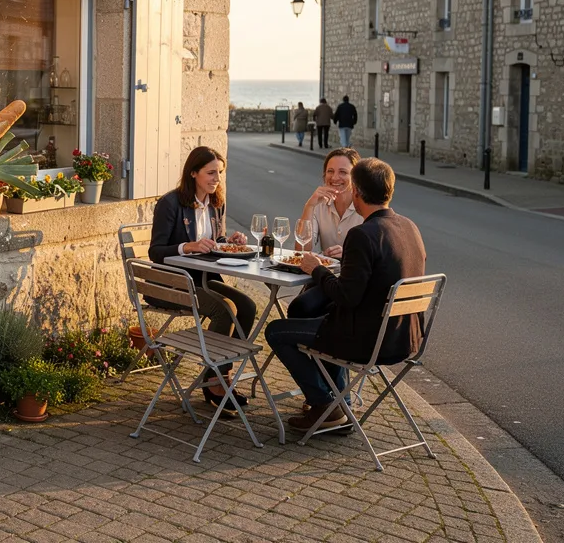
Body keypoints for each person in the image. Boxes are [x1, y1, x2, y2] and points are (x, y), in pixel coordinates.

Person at [264, 158, 426, 430]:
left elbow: (346, 296)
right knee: (312, 314)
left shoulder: (363, 234)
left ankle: (325, 405)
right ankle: (340, 403)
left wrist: (317, 270)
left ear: (357, 193)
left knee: (276, 331)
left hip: (368, 341)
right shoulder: (410, 226)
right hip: (406, 338)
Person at [149, 146, 259, 411]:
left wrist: (228, 241)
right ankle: (217, 381)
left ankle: (217, 375)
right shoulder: (170, 203)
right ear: (193, 173)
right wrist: (187, 246)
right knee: (225, 310)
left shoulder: (215, 203)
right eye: (211, 173)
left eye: (219, 173)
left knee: (248, 306)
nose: (216, 179)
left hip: (204, 281)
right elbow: (155, 252)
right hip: (174, 283)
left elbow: (214, 242)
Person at [287, 148, 362, 319]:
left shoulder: (364, 206)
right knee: (299, 309)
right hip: (323, 277)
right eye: (330, 171)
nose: (335, 177)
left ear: (355, 177)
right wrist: (309, 206)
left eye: (343, 172)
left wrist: (348, 253)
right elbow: (302, 249)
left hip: (349, 284)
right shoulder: (319, 204)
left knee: (303, 309)